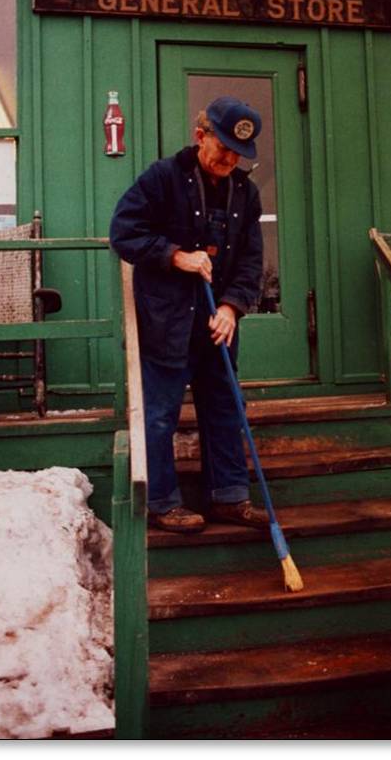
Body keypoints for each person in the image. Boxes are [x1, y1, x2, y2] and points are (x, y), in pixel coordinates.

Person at [110, 96, 269, 533]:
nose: (230, 159)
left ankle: (229, 498)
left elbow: (251, 260)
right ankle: (162, 503)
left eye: (239, 153)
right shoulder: (162, 179)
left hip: (217, 323)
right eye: (222, 148)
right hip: (167, 320)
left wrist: (233, 306)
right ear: (201, 136)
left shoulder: (245, 192)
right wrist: (176, 256)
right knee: (160, 412)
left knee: (223, 407)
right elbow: (123, 232)